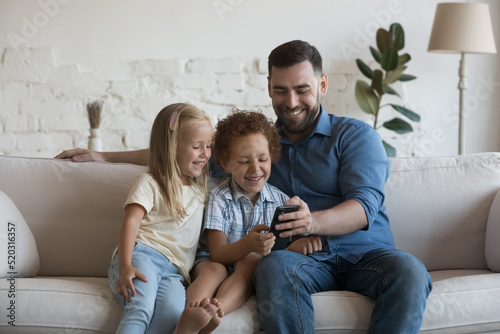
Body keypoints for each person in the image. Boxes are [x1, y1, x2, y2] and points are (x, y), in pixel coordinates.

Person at [56, 40, 432, 334]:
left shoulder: (354, 136)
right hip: (299, 261)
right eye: (281, 90)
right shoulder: (255, 146)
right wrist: (104, 158)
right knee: (272, 267)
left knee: (411, 272)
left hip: (364, 255)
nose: (292, 101)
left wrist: (311, 222)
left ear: (322, 83)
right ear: (269, 88)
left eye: (302, 89)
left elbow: (365, 205)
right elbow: (186, 150)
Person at [186, 110, 322, 332]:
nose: (255, 168)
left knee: (250, 263)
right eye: (244, 161)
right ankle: (191, 313)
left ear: (272, 156)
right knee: (214, 271)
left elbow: (278, 254)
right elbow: (218, 253)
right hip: (213, 262)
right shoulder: (219, 198)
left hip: (249, 270)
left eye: (262, 159)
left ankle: (214, 312)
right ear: (226, 164)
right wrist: (249, 244)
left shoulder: (280, 201)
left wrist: (296, 248)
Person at [107, 103, 219, 334]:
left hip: (175, 271)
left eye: (208, 146)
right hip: (143, 255)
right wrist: (126, 265)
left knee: (173, 314)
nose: (205, 153)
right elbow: (131, 222)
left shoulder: (202, 188)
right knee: (141, 307)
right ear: (171, 147)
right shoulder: (150, 182)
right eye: (197, 146)